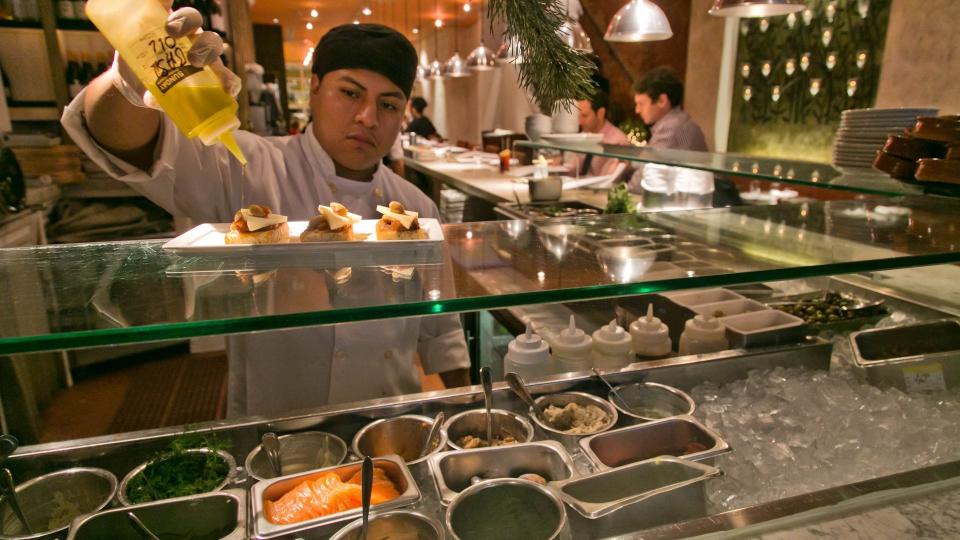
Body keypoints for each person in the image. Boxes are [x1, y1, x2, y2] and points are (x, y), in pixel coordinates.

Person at [61, 8, 470, 417]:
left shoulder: (415, 206)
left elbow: (442, 331)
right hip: (278, 429)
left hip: (390, 425)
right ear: (313, 89)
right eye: (350, 93)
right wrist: (131, 83)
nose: (368, 117)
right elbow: (120, 139)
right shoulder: (247, 166)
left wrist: (469, 414)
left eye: (389, 104)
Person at [632, 66, 708, 152]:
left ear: (662, 101)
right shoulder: (681, 121)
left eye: (641, 104)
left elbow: (646, 163)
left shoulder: (671, 128)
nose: (637, 110)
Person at [565, 90, 629, 177]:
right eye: (579, 116)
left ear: (600, 113)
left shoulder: (618, 141)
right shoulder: (583, 135)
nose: (579, 122)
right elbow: (573, 167)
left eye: (585, 116)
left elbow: (609, 180)